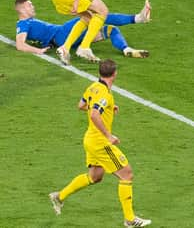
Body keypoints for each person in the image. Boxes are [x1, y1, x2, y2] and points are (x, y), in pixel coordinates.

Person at [49, 59, 152, 227]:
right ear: (115, 73)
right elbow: (94, 114)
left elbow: (81, 105)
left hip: (90, 139)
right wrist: (108, 135)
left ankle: (59, 196)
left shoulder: (93, 87)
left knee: (95, 177)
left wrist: (110, 108)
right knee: (127, 174)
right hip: (100, 142)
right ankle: (130, 219)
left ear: (100, 73)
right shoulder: (104, 93)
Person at [14, 0, 151, 58]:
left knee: (111, 30)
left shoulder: (28, 22)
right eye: (30, 5)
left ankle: (126, 49)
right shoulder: (23, 24)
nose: (33, 7)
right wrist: (38, 51)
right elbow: (20, 45)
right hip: (61, 34)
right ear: (23, 8)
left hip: (67, 38)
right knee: (97, 14)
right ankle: (138, 18)